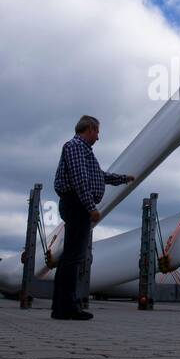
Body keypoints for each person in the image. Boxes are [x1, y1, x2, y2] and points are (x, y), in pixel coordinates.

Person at [51, 115, 135, 320]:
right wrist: (91, 208)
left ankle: (61, 307)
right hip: (77, 204)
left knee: (70, 256)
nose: (98, 137)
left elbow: (100, 176)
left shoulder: (84, 151)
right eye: (96, 131)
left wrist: (123, 179)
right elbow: (80, 180)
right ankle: (67, 307)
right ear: (88, 129)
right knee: (73, 257)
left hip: (77, 204)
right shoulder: (75, 147)